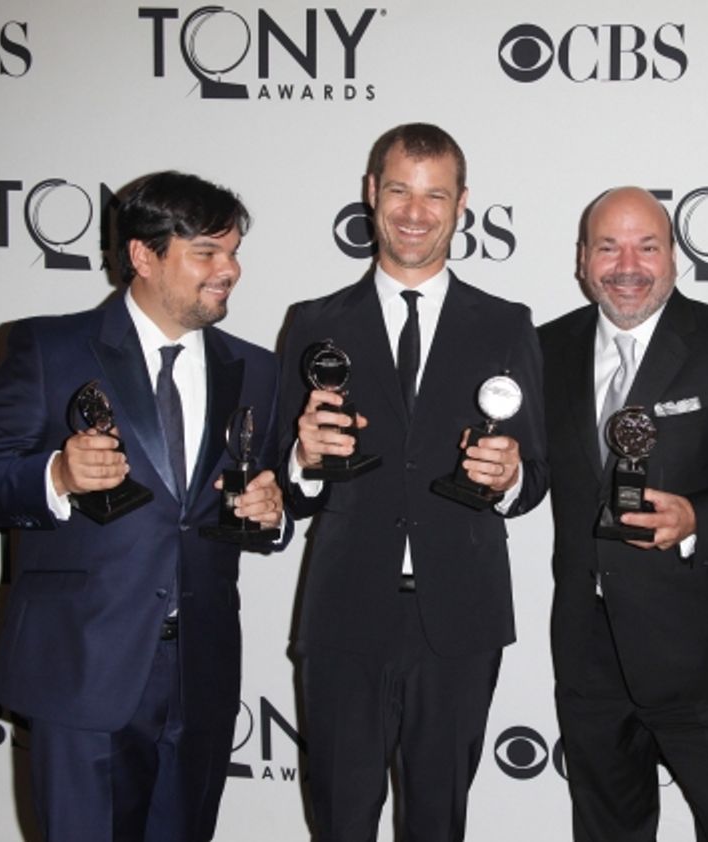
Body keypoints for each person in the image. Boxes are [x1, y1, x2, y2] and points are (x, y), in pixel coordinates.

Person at [0, 170, 288, 841]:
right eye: (207, 254)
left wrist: (271, 514)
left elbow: (248, 507)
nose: (230, 271)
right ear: (143, 255)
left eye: (234, 251)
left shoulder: (257, 369)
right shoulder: (49, 348)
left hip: (202, 672)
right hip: (83, 668)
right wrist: (57, 474)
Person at [277, 123, 548, 841]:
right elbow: (285, 484)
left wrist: (512, 476)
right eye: (399, 189)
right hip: (342, 614)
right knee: (339, 819)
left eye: (435, 195)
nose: (415, 212)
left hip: (459, 616)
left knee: (438, 822)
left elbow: (538, 471)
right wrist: (301, 459)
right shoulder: (313, 324)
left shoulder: (506, 324)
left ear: (463, 204)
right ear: (372, 194)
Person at [538, 186, 708, 842]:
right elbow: (533, 477)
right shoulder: (545, 350)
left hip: (699, 649)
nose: (628, 264)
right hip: (587, 649)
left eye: (647, 246)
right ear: (583, 260)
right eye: (608, 247)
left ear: (673, 258)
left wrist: (699, 519)